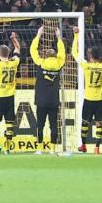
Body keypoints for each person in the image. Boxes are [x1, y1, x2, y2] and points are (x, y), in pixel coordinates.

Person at [72, 26, 102, 154]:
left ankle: (83, 145)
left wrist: (76, 36)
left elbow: (74, 53)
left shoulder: (87, 66)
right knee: (99, 123)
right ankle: (97, 148)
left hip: (89, 98)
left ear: (90, 56)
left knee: (85, 123)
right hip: (100, 99)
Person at [29, 24, 65, 154]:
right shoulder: (59, 64)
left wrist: (38, 35)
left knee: (40, 124)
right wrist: (59, 38)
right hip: (54, 100)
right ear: (55, 56)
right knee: (53, 124)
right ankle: (53, 149)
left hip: (41, 100)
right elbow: (63, 53)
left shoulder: (41, 63)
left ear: (45, 55)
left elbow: (33, 51)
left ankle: (39, 149)